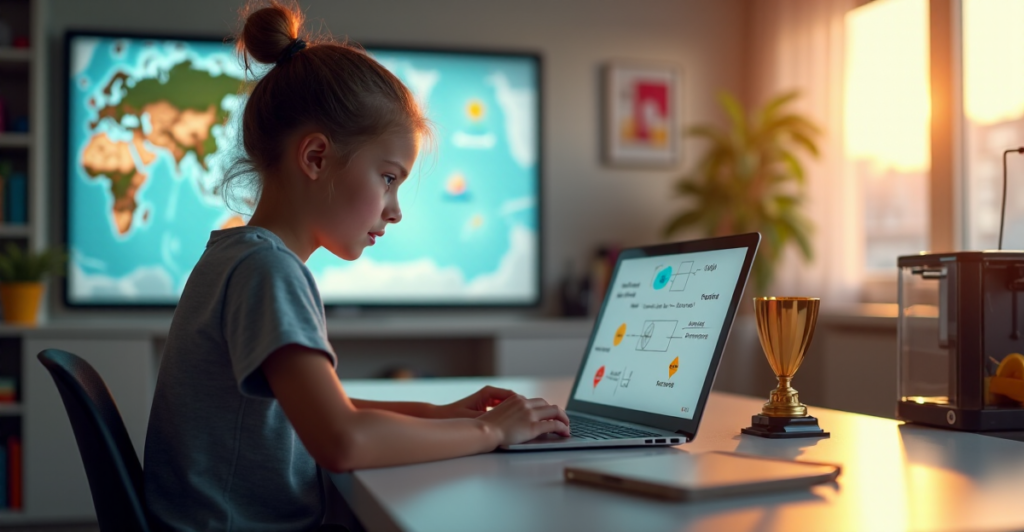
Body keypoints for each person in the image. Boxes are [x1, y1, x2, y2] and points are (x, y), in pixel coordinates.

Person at [142, 2, 570, 530]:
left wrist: (440, 415)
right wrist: (492, 433)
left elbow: (318, 408)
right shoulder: (268, 271)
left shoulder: (235, 255)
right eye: (389, 177)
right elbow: (342, 440)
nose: (395, 210)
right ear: (317, 157)